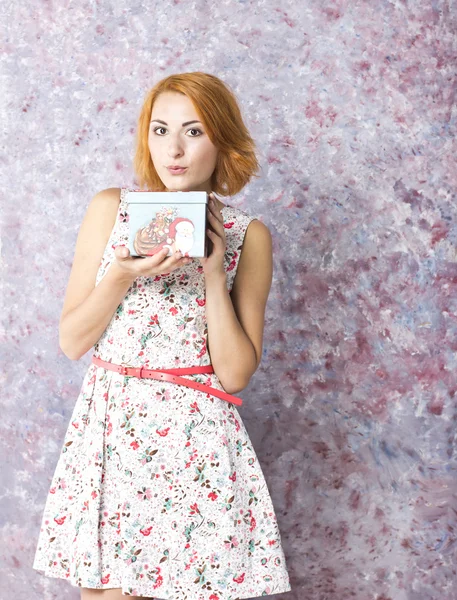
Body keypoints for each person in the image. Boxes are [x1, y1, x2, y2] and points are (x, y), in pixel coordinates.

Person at [32, 71, 292, 600]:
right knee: (106, 593)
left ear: (222, 141)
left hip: (195, 436)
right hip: (111, 426)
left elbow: (237, 372)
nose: (173, 149)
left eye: (194, 132)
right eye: (160, 130)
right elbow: (73, 341)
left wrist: (213, 275)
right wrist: (122, 274)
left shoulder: (248, 235)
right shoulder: (111, 209)